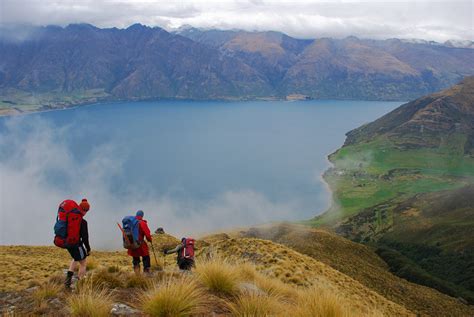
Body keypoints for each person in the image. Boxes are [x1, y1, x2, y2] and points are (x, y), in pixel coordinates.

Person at [65, 198, 91, 289]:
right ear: (86, 210)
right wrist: (88, 248)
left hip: (67, 243)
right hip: (76, 244)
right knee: (83, 262)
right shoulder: (83, 222)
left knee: (75, 258)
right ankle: (81, 283)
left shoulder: (71, 217)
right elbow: (85, 237)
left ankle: (67, 282)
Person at [127, 210, 153, 274]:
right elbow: (147, 234)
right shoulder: (142, 223)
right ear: (142, 216)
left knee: (135, 259)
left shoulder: (131, 223)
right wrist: (150, 240)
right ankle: (146, 273)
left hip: (132, 244)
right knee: (146, 257)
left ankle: (137, 274)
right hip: (140, 244)